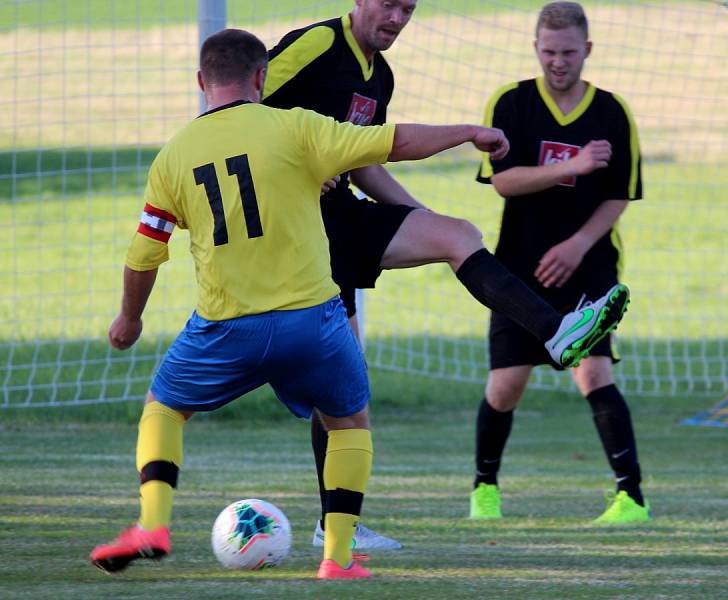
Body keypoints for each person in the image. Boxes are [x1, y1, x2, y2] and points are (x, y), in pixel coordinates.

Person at [88, 28, 521, 581]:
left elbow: (145, 254)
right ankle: (336, 558)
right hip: (312, 323)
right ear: (262, 77)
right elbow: (397, 141)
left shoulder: (173, 158)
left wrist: (129, 319)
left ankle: (152, 522)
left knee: (164, 408)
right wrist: (469, 132)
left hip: (225, 327)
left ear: (202, 83)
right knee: (348, 425)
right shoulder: (295, 127)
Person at [262, 0, 632, 551]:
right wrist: (289, 167)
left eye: (407, 10)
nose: (396, 19)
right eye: (388, 5)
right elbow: (237, 107)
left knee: (456, 234)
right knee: (344, 394)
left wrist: (416, 215)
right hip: (291, 229)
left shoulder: (379, 75)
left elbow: (363, 160)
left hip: (339, 222)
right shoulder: (317, 44)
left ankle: (556, 332)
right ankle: (334, 525)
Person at [468, 1, 650, 525]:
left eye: (569, 52)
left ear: (587, 49)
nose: (559, 62)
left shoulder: (613, 112)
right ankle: (484, 490)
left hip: (588, 267)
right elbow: (502, 180)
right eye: (549, 52)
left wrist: (577, 245)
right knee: (506, 386)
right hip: (518, 269)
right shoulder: (511, 103)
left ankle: (631, 499)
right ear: (535, 49)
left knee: (594, 372)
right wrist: (571, 164)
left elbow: (621, 194)